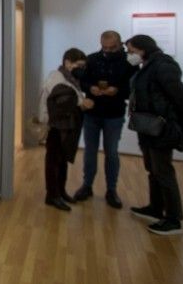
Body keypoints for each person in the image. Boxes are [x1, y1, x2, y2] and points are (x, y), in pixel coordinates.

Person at [126, 34, 183, 235]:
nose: (129, 54)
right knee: (153, 168)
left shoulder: (163, 66)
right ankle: (155, 208)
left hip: (162, 127)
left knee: (163, 171)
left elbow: (180, 95)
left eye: (131, 50)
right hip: (148, 126)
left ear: (142, 49)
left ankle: (173, 219)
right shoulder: (149, 65)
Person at [73, 31, 138, 208]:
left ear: (120, 44)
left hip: (114, 113)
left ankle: (111, 190)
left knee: (111, 152)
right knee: (89, 151)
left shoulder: (129, 62)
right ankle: (87, 186)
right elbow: (82, 81)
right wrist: (91, 87)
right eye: (105, 47)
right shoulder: (92, 59)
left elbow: (132, 87)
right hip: (92, 113)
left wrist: (117, 90)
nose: (108, 51)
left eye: (112, 47)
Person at [38, 48, 94, 211]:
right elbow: (61, 100)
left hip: (65, 125)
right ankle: (52, 195)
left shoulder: (67, 77)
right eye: (78, 65)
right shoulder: (57, 78)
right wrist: (81, 103)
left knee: (62, 160)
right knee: (54, 160)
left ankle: (60, 192)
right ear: (67, 62)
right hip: (57, 125)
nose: (81, 69)